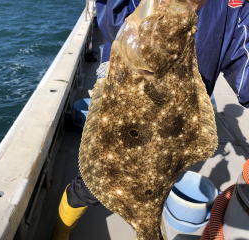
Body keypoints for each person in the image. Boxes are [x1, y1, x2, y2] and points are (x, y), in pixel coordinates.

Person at [52, 0, 249, 239]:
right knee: (90, 186)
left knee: (155, 183)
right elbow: (113, 19)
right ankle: (60, 233)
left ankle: (148, 225)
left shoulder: (236, 6)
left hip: (173, 126)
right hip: (123, 120)